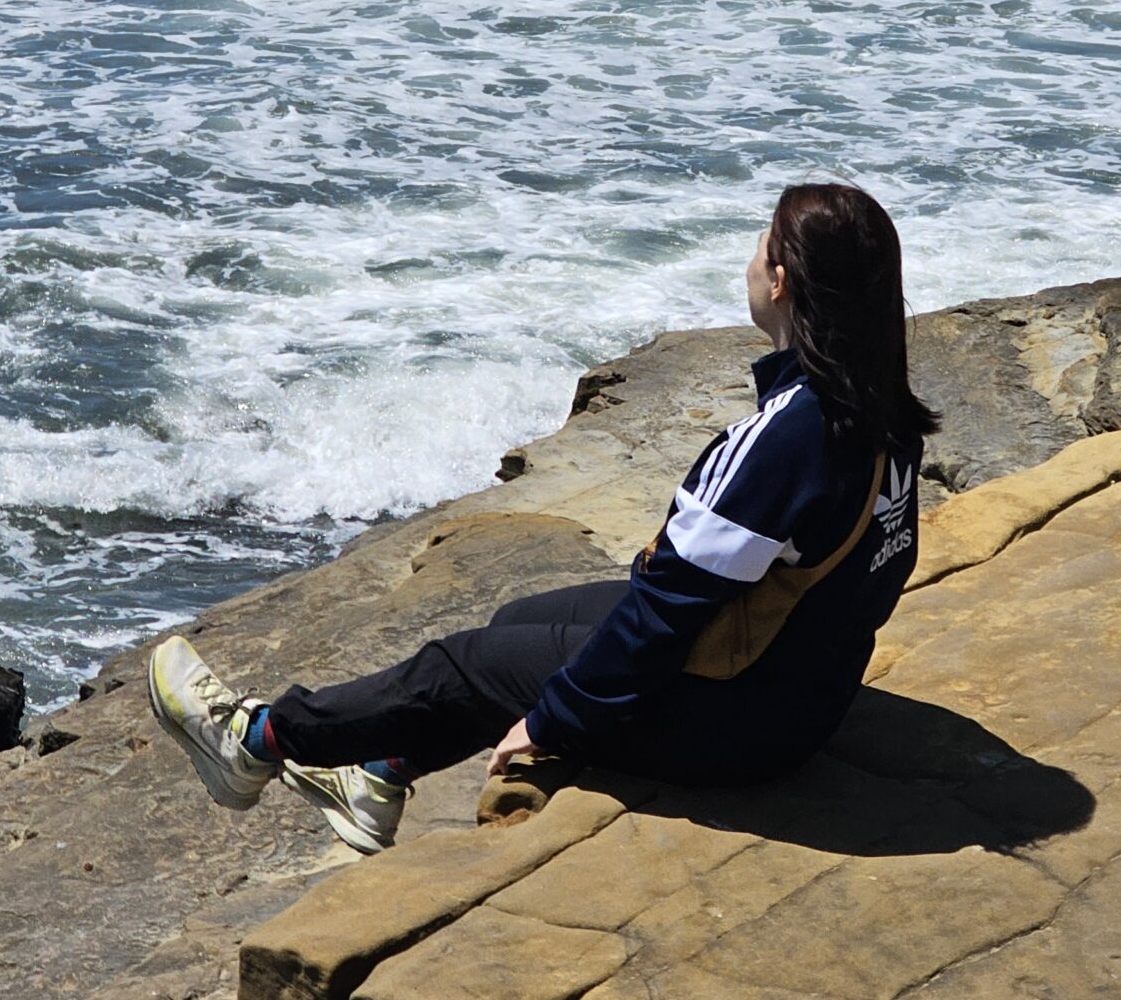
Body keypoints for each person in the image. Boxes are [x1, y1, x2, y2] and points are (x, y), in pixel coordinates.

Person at [147, 182, 937, 853]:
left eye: (759, 245)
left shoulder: (786, 437)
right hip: (801, 697)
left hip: (737, 724)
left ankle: (259, 741)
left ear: (782, 280)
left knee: (462, 666)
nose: (748, 261)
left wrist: (554, 721)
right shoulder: (878, 409)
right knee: (523, 619)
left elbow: (665, 612)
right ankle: (377, 775)